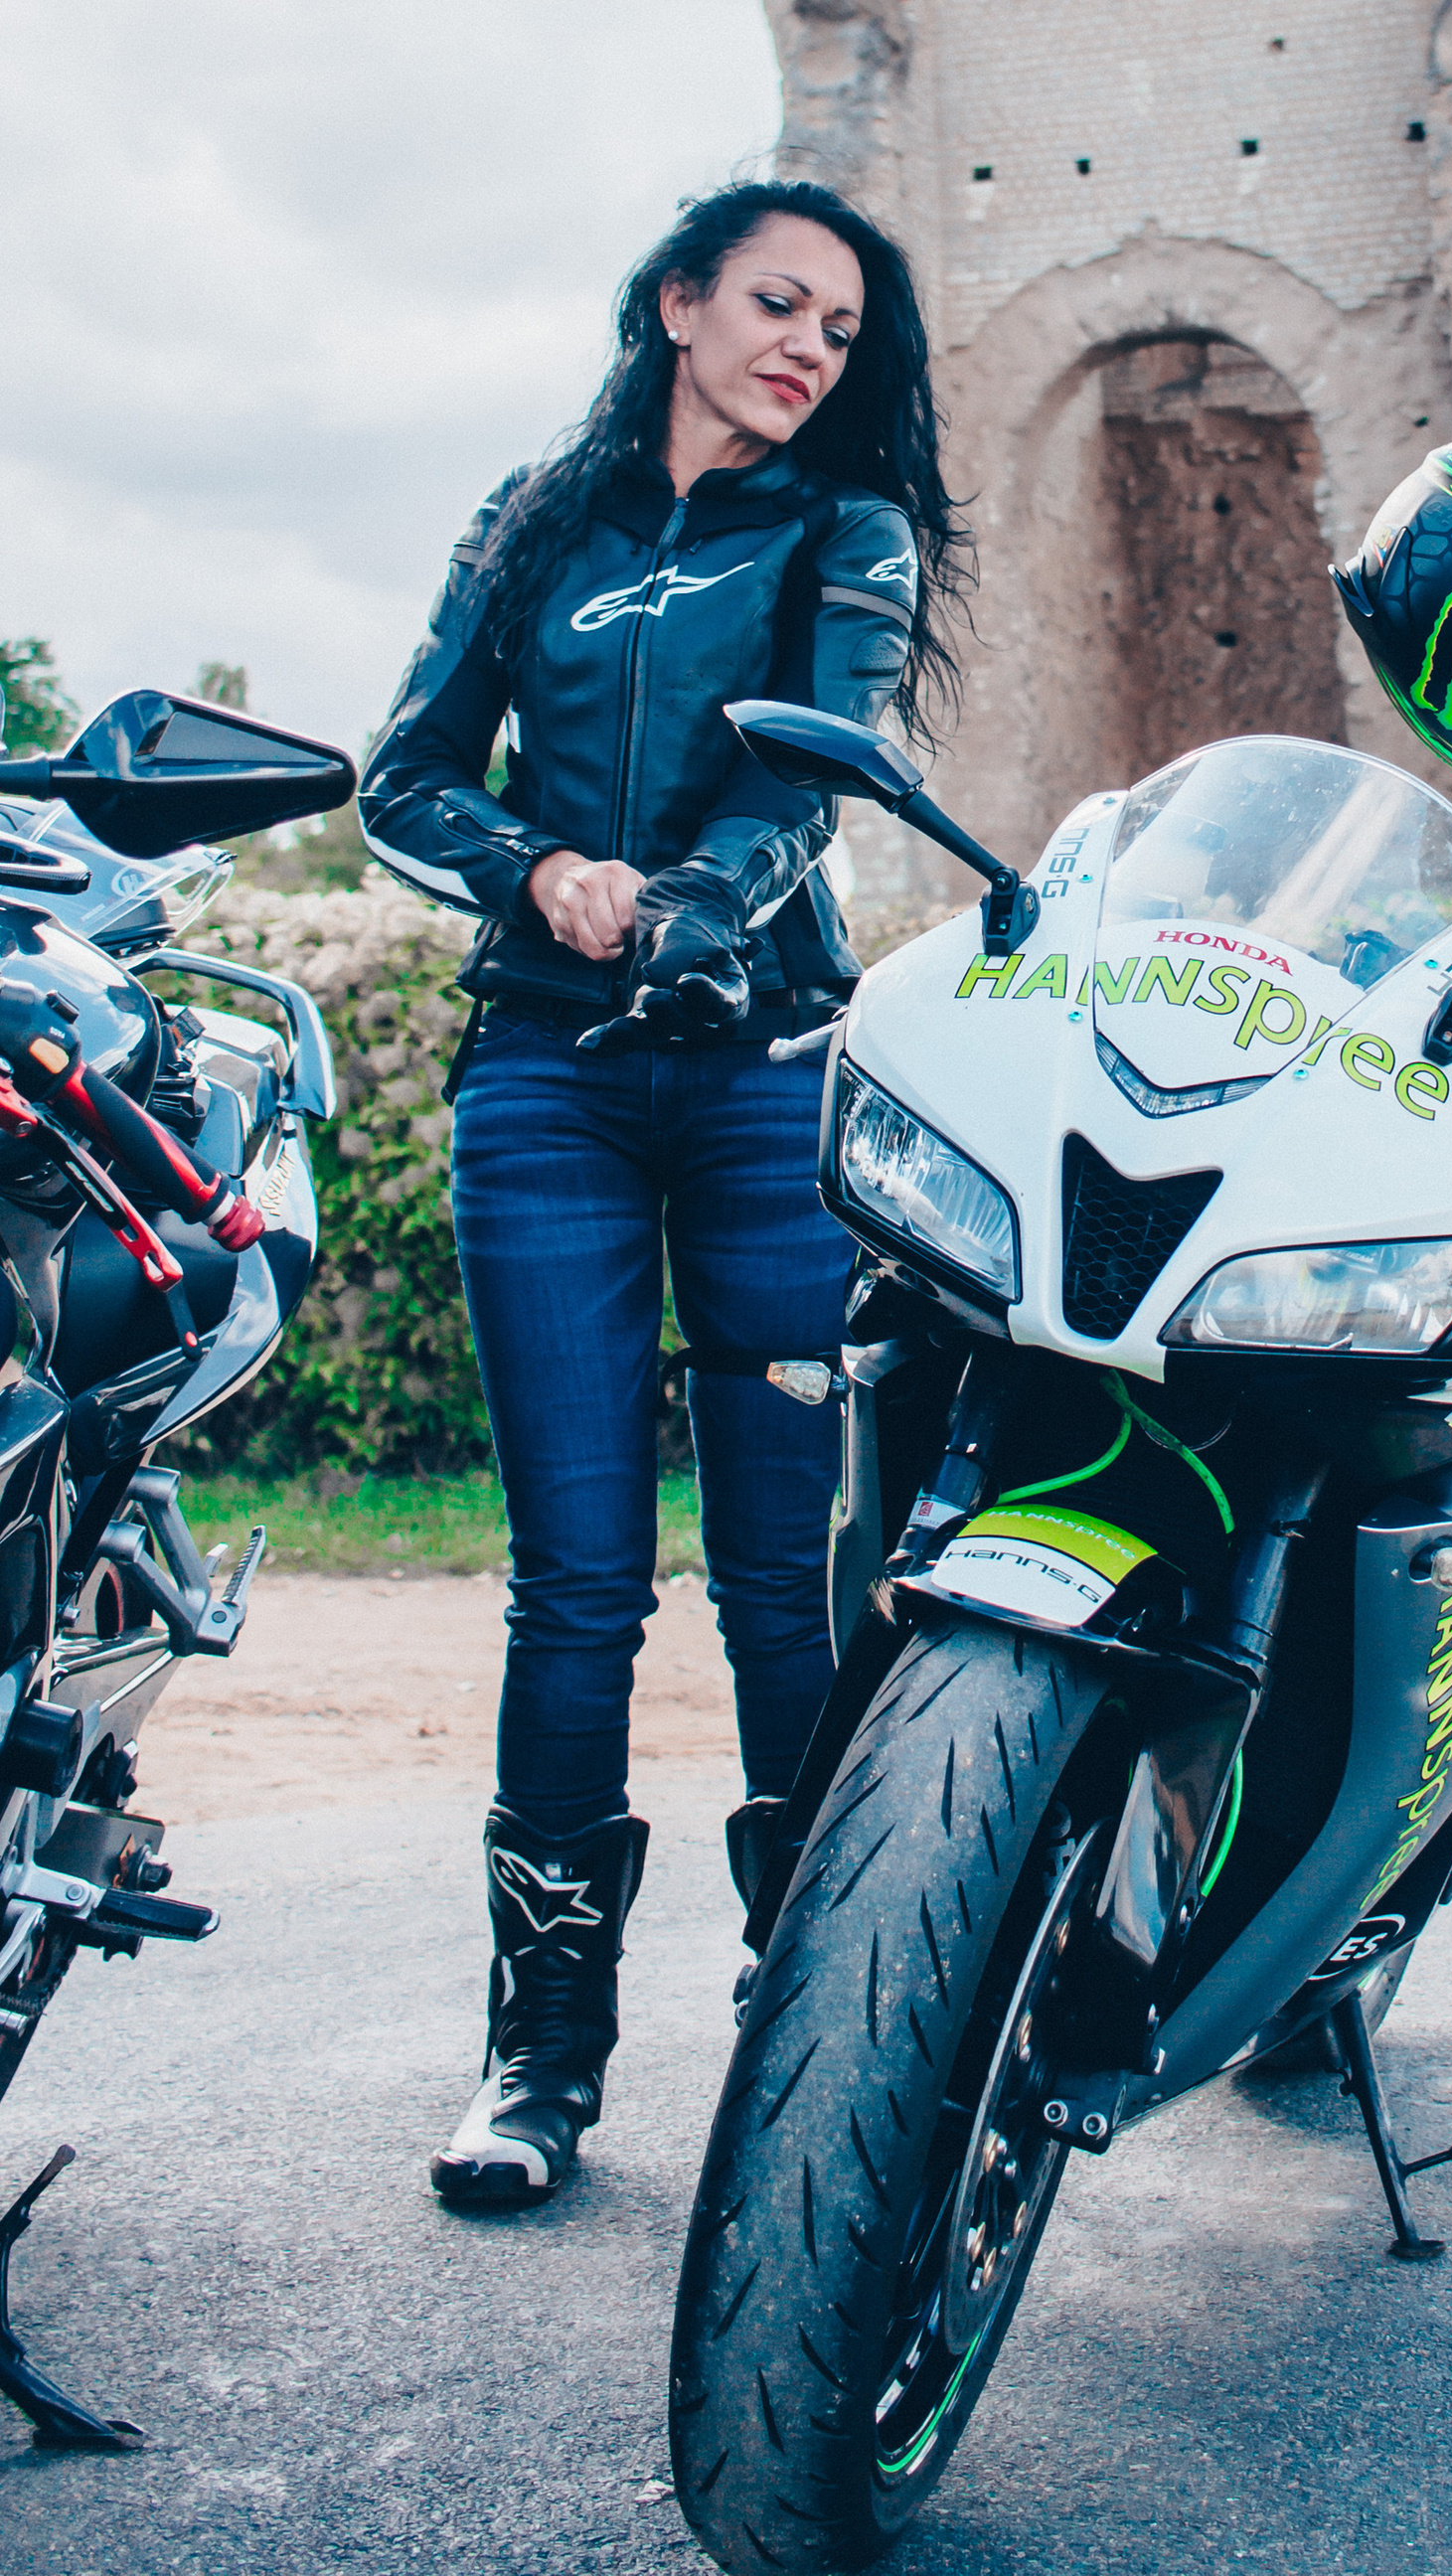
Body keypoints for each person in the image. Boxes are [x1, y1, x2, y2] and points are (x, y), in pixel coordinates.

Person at [361, 178, 967, 2214]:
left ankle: (820, 2037)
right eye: (778, 305)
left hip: (765, 1078)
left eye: (840, 332)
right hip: (542, 1081)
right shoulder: (534, 521)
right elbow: (403, 776)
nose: (809, 350)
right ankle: (540, 2055)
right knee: (577, 1583)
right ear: (680, 303)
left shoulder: (846, 531)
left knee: (786, 1578)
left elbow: (819, 767)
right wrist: (538, 873)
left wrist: (697, 905)